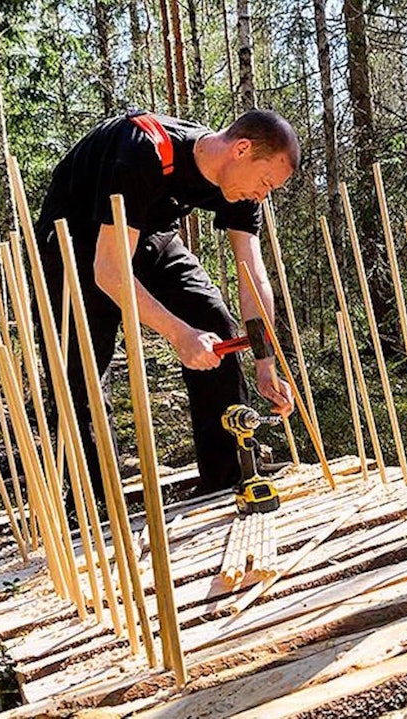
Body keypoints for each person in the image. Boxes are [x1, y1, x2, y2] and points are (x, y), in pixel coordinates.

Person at [34, 108, 299, 497]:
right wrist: (179, 334)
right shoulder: (143, 149)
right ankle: (95, 508)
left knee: (215, 323)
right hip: (73, 243)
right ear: (241, 149)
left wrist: (264, 361)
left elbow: (253, 275)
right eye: (264, 183)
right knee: (82, 376)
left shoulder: (241, 186)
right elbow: (109, 271)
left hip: (149, 235)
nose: (262, 195)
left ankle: (229, 478)